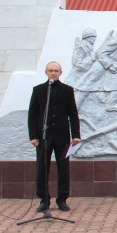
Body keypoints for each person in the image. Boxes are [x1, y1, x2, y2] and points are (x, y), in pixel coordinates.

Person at [28, 61, 81, 213]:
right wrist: (33, 136)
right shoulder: (38, 90)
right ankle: (44, 200)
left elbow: (73, 114)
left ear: (61, 72)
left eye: (56, 71)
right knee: (42, 169)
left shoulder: (68, 90)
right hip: (43, 137)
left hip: (63, 138)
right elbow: (32, 114)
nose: (53, 73)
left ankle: (62, 199)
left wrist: (76, 135)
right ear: (46, 72)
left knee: (64, 168)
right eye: (51, 70)